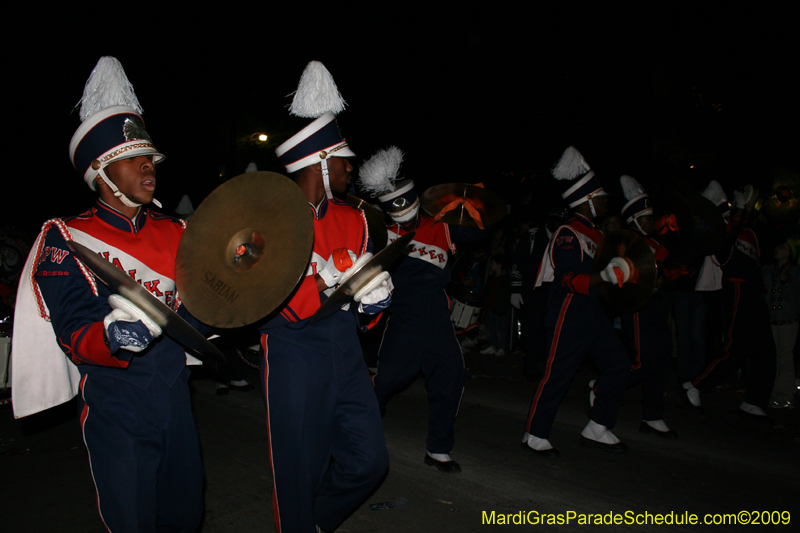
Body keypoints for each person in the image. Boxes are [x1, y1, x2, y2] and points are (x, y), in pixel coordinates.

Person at [12, 57, 204, 531]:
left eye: (149, 158)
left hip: (175, 394)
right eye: (132, 159)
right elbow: (73, 329)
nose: (148, 166)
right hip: (115, 399)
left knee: (185, 514)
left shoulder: (178, 232)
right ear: (100, 171)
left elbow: (201, 312)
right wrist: (111, 334)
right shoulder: (66, 237)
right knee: (132, 519)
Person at [262, 61, 389, 533]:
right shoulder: (267, 219)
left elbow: (360, 297)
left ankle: (316, 522)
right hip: (294, 356)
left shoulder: (356, 219)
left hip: (346, 354)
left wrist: (372, 304)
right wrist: (328, 282)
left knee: (369, 461)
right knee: (298, 474)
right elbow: (265, 306)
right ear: (320, 162)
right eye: (344, 159)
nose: (351, 167)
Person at [358, 146, 486, 473]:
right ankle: (356, 430)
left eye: (412, 212)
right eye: (400, 215)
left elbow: (476, 233)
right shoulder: (383, 234)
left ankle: (438, 448)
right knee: (388, 381)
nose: (408, 219)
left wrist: (468, 204)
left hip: (438, 316)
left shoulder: (441, 225)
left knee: (451, 377)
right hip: (404, 316)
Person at [522, 146, 632, 457]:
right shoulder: (568, 233)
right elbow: (568, 279)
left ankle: (598, 426)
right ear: (588, 200)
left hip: (594, 314)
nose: (606, 202)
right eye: (602, 197)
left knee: (619, 365)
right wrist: (605, 276)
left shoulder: (597, 236)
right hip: (568, 314)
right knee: (557, 375)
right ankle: (534, 433)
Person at [684, 181, 777, 417]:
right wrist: (737, 213)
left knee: (765, 350)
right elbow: (723, 249)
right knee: (735, 348)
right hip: (737, 290)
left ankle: (754, 401)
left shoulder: (750, 232)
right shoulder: (721, 233)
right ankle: (696, 386)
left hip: (755, 293)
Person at [613, 175, 677, 438]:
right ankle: (602, 388)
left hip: (657, 304)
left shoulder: (654, 243)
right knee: (643, 362)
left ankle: (652, 415)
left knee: (661, 360)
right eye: (647, 218)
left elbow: (668, 269)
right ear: (635, 219)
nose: (652, 222)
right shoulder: (627, 242)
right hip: (638, 306)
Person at [763, 240, 799, 409]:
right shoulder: (768, 270)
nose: (778, 249)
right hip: (772, 320)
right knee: (774, 358)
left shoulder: (795, 271)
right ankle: (773, 393)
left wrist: (786, 282)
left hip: (788, 320)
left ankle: (785, 396)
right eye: (777, 246)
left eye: (783, 247)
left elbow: (795, 297)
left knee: (784, 357)